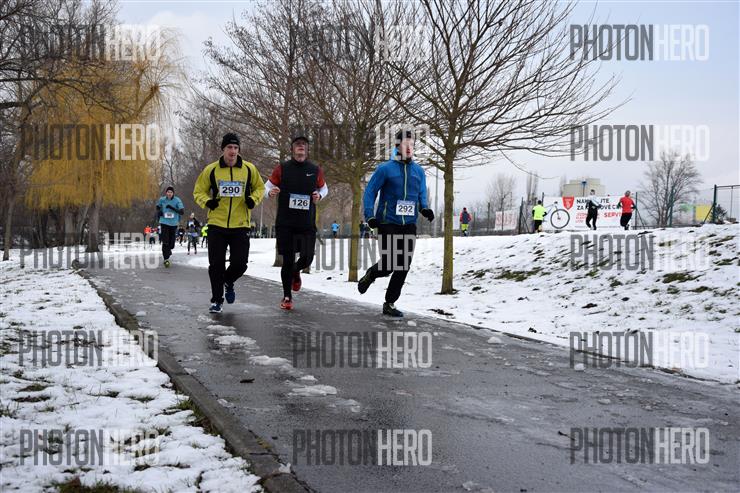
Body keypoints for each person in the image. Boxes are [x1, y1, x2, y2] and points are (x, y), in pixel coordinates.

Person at [357, 128, 433, 317]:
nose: (409, 147)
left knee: (403, 265)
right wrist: (370, 215)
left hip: (409, 224)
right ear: (397, 146)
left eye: (412, 144)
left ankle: (389, 303)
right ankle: (372, 274)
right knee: (390, 263)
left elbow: (422, 192)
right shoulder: (385, 169)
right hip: (387, 222)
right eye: (405, 144)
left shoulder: (418, 171)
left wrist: (424, 208)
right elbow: (370, 191)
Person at [193, 133, 265, 313]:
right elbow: (198, 191)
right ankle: (217, 300)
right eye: (229, 147)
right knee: (216, 265)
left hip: (241, 224)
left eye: (235, 148)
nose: (232, 151)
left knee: (240, 264)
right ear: (223, 149)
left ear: (239, 150)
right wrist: (208, 202)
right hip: (217, 224)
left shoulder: (249, 169)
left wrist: (253, 199)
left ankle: (228, 280)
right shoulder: (211, 170)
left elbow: (260, 188)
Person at [265, 134, 328, 310]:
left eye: (304, 144)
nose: (301, 146)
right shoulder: (282, 168)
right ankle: (287, 297)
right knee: (287, 259)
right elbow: (267, 186)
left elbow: (324, 188)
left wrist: (319, 195)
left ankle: (296, 271)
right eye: (297, 144)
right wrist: (269, 193)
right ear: (292, 149)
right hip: (286, 222)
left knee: (307, 257)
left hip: (306, 223)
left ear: (307, 149)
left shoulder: (315, 170)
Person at [156, 186, 184, 267]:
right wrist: (159, 211)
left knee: (171, 244)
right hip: (164, 222)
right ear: (166, 193)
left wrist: (172, 207)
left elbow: (182, 212)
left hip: (173, 223)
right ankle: (166, 259)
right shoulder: (162, 199)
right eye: (168, 192)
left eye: (171, 192)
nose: (169, 193)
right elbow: (158, 206)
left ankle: (169, 250)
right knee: (165, 241)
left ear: (173, 193)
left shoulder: (177, 200)